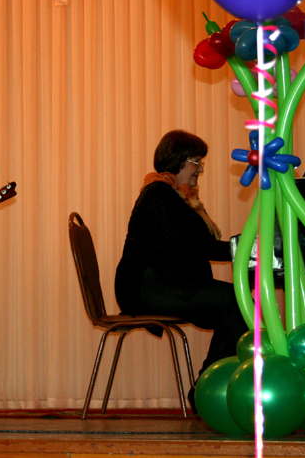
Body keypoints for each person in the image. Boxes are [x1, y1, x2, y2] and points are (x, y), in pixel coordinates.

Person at [114, 130, 248, 412]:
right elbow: (189, 245)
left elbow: (198, 245)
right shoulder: (158, 195)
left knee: (235, 302)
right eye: (196, 162)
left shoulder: (175, 197)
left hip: (165, 282)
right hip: (148, 287)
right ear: (177, 160)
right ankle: (211, 392)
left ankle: (210, 390)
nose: (200, 169)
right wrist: (246, 249)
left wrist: (246, 248)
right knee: (235, 301)